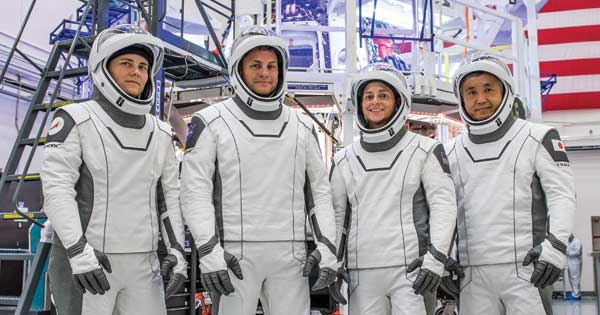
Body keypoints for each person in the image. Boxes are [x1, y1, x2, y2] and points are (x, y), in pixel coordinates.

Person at [180, 26, 343, 315]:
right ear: (238, 69)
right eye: (256, 65)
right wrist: (208, 250)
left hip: (291, 257)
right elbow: (195, 191)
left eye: (271, 66)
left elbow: (319, 193)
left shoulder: (302, 127)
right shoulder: (211, 121)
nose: (265, 73)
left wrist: (328, 247)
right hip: (233, 256)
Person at [41, 24, 187, 315]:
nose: (137, 72)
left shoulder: (159, 132)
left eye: (143, 66)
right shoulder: (75, 119)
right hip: (88, 262)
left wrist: (176, 251)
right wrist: (77, 251)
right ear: (103, 68)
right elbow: (57, 191)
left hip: (143, 265)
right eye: (126, 63)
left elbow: (168, 197)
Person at [445, 55, 576, 315]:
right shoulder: (450, 150)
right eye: (471, 92)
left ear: (506, 92)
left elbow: (562, 196)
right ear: (462, 98)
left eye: (488, 89)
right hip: (471, 275)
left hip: (528, 270)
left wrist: (555, 247)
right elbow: (443, 209)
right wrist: (442, 257)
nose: (480, 99)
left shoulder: (537, 137)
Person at [329, 62, 458, 315]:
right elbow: (335, 217)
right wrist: (333, 262)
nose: (374, 102)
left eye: (383, 95)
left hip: (412, 272)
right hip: (360, 274)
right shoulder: (343, 159)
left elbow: (444, 206)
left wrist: (436, 258)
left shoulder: (425, 149)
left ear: (399, 102)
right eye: (368, 96)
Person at [567, 233, 582, 299]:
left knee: (575, 278)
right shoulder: (568, 241)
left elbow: (577, 252)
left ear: (572, 235)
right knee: (571, 278)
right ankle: (574, 293)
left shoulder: (577, 241)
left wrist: (568, 253)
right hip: (570, 262)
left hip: (575, 262)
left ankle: (576, 295)